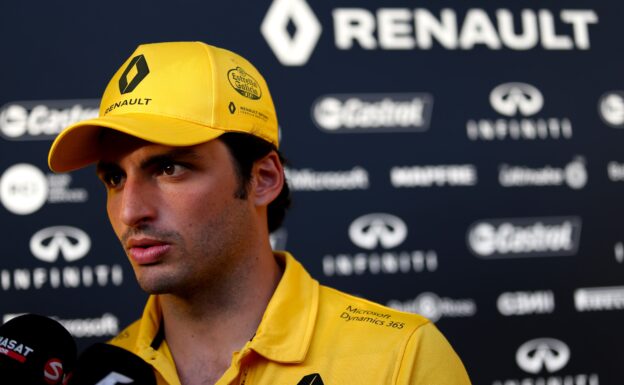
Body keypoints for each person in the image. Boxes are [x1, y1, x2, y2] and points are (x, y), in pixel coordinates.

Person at [48, 41, 471, 385]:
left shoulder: (400, 360)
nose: (129, 211)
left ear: (264, 178)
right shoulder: (97, 375)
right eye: (114, 179)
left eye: (168, 168)